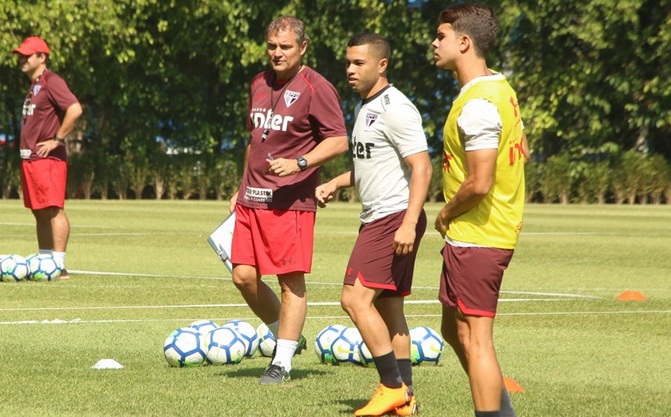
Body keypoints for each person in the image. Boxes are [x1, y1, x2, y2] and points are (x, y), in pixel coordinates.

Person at [228, 16, 349, 384]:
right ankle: (287, 336)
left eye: (285, 47)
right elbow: (255, 140)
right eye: (272, 46)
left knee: (289, 281)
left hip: (290, 203)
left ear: (303, 48)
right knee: (243, 276)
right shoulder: (258, 83)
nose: (277, 53)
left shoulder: (317, 87)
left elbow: (338, 141)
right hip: (251, 199)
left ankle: (281, 362)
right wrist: (241, 186)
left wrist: (300, 163)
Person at [316, 33, 432, 416]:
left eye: (359, 63)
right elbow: (372, 165)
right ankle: (405, 400)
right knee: (390, 310)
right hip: (384, 217)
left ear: (382, 65)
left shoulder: (396, 108)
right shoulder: (364, 106)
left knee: (353, 299)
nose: (350, 69)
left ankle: (391, 387)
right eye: (348, 62)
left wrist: (408, 223)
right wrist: (336, 182)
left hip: (392, 217)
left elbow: (422, 167)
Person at [432, 4, 526, 417]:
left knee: (476, 338)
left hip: (480, 235)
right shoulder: (496, 87)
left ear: (464, 42)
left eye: (441, 36)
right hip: (471, 235)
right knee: (453, 329)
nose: (434, 43)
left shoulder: (480, 103)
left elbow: (480, 182)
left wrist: (446, 213)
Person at [13, 36, 83, 279]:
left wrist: (57, 139)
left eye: (27, 55)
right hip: (30, 158)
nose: (22, 59)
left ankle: (59, 266)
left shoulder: (51, 80)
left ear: (42, 57)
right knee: (39, 211)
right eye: (21, 55)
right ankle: (44, 264)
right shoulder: (34, 84)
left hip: (48, 160)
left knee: (53, 210)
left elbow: (75, 109)